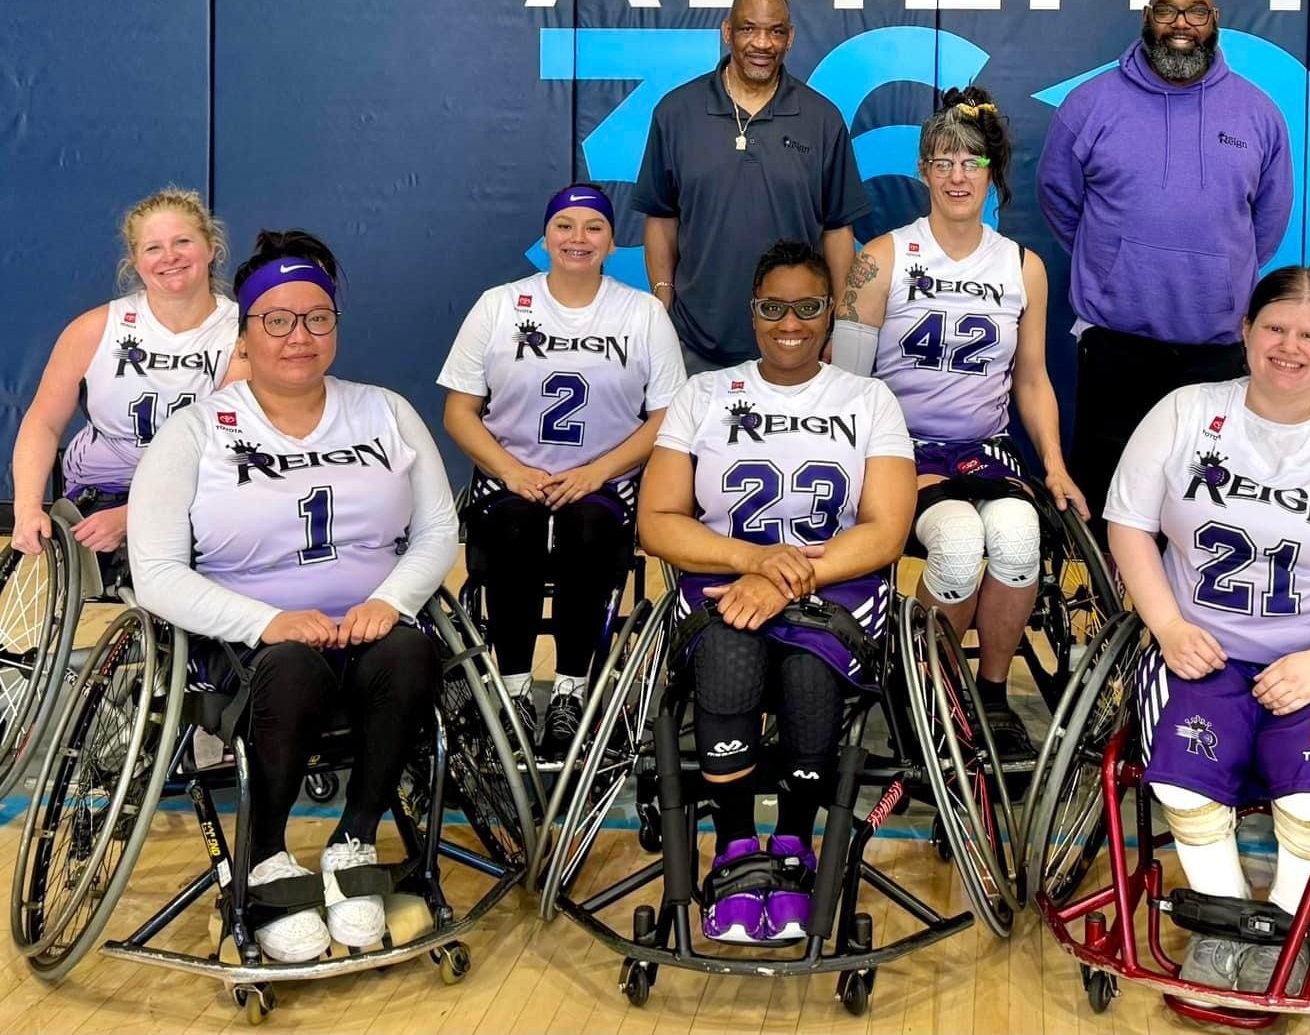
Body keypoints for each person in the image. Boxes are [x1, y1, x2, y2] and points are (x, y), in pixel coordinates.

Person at [129, 230, 460, 962]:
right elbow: (154, 573)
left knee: (410, 650)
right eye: (276, 320)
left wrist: (392, 599)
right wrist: (267, 619)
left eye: (316, 318)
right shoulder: (194, 434)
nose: (298, 336)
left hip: (368, 631)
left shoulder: (385, 412)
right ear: (245, 333)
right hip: (245, 648)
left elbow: (438, 530)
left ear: (336, 325)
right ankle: (269, 855)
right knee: (291, 663)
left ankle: (353, 838)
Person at [1105, 267, 1310, 993]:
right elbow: (1128, 524)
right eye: (1275, 328)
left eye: (1309, 334)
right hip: (1203, 647)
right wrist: (1165, 625)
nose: (1290, 346)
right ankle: (1221, 927)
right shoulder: (1185, 412)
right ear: (1245, 332)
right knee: (1186, 790)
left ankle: (1282, 934)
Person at [639, 240, 914, 944]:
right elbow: (657, 519)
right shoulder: (702, 395)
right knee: (730, 653)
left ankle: (793, 844)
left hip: (836, 590)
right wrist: (754, 564)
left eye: (808, 307)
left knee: (806, 670)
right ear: (752, 311)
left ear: (828, 316)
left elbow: (885, 532)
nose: (788, 322)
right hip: (723, 581)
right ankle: (735, 847)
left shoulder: (869, 398)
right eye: (772, 306)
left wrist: (792, 577)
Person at [831, 86, 1083, 760]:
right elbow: (847, 388)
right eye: (943, 161)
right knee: (958, 540)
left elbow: (1031, 378)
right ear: (923, 171)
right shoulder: (882, 258)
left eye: (971, 161)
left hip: (986, 452)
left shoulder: (1021, 267)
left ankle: (991, 694)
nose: (956, 175)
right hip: (901, 454)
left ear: (992, 173)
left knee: (1019, 533)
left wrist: (1054, 466)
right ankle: (929, 695)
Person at [1039, 0, 1293, 529]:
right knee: (1106, 501)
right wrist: (1111, 263)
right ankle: (1103, 615)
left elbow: (1266, 225)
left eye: (1195, 11)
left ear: (1215, 21)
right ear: (1146, 18)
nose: (1181, 24)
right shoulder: (1090, 104)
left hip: (1216, 350)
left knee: (1203, 508)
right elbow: (1059, 200)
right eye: (1167, 10)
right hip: (1116, 346)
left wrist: (1221, 274)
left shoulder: (1258, 113)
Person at [438, 184, 686, 757]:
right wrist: (511, 470)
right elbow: (459, 411)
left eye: (593, 227)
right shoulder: (499, 305)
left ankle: (571, 691)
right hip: (511, 480)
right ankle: (518, 689)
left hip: (603, 484)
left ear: (612, 240)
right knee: (512, 529)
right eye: (565, 226)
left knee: (588, 532)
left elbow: (668, 418)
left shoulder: (642, 313)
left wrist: (598, 472)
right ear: (546, 236)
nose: (579, 239)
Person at [632, 0, 869, 374]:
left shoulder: (822, 119)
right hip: (695, 344)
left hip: (796, 339)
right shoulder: (677, 112)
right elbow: (661, 217)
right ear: (727, 32)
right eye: (748, 29)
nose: (762, 43)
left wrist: (838, 324)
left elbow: (837, 230)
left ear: (790, 37)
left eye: (775, 31)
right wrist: (663, 303)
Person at [11, 188, 243, 559]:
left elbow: (230, 446)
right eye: (153, 248)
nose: (170, 257)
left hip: (201, 488)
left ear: (211, 248)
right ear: (135, 261)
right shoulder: (94, 329)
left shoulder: (240, 332)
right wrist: (26, 508)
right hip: (105, 488)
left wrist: (135, 516)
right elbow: (43, 421)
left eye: (183, 241)